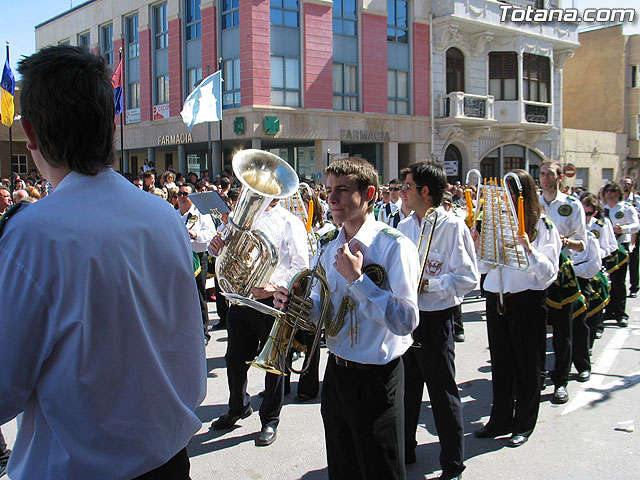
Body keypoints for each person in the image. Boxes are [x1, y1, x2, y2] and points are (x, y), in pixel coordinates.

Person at [0, 45, 206, 479]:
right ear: (111, 123)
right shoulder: (164, 215)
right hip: (169, 462)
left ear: (30, 134)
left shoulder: (33, 233)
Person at [275, 157, 419, 480]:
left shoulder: (395, 247)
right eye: (328, 190)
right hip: (337, 375)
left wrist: (359, 282)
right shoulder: (327, 246)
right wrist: (296, 304)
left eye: (342, 190)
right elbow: (320, 312)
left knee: (381, 470)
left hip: (378, 379)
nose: (332, 199)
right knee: (342, 469)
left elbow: (407, 320)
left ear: (369, 194)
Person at [397, 162, 477, 479]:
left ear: (424, 191)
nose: (402, 192)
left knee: (442, 393)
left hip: (436, 319)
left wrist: (430, 284)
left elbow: (468, 278)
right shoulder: (403, 227)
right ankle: (405, 448)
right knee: (406, 389)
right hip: (409, 318)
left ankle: (453, 464)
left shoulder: (453, 226)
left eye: (407, 187)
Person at [210, 197, 309, 446]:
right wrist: (216, 246)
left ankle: (270, 419)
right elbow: (224, 252)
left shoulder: (290, 222)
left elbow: (301, 266)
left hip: (270, 303)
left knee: (273, 363)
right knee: (234, 359)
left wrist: (273, 287)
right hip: (240, 299)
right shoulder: (241, 217)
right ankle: (238, 406)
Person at [474, 169, 561, 447]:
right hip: (497, 298)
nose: (508, 198)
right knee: (502, 364)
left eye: (514, 192)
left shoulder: (542, 225)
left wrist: (528, 249)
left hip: (526, 300)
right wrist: (479, 247)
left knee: (527, 364)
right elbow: (484, 268)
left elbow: (549, 272)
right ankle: (499, 419)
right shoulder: (496, 224)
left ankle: (524, 423)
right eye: (505, 192)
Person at [538, 160, 587, 404]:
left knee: (562, 332)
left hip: (560, 271)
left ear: (560, 178)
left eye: (550, 174)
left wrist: (563, 242)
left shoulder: (572, 205)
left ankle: (560, 381)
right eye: (542, 173)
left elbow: (582, 243)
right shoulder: (531, 203)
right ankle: (536, 377)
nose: (546, 178)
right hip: (534, 272)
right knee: (535, 330)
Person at [177, 184, 217, 343]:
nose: (181, 197)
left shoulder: (201, 213)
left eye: (185, 194)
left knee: (199, 295)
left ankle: (203, 332)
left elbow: (211, 233)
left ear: (192, 197)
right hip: (180, 256)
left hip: (198, 257)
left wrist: (194, 234)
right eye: (179, 194)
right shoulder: (174, 214)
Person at [602, 181, 639, 327]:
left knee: (618, 281)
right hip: (605, 248)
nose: (609, 193)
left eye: (612, 190)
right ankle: (608, 309)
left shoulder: (626, 208)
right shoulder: (602, 209)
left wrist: (623, 229)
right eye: (607, 191)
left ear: (618, 193)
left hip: (620, 248)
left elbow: (636, 225)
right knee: (607, 280)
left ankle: (620, 312)